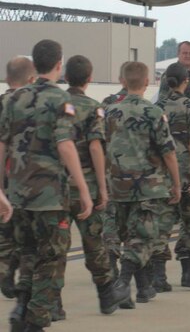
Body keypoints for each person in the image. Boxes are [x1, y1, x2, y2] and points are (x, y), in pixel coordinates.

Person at [0, 40, 95, 331]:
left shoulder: (14, 99)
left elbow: (2, 144)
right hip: (50, 197)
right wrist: (84, 189)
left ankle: (21, 308)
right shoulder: (60, 100)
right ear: (58, 65)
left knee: (29, 253)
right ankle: (35, 322)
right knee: (51, 261)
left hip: (18, 195)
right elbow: (66, 145)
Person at [105, 61, 181, 308]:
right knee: (144, 239)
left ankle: (143, 288)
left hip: (118, 186)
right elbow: (169, 153)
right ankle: (122, 284)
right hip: (148, 187)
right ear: (148, 82)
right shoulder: (154, 113)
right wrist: (177, 183)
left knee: (130, 237)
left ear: (124, 82)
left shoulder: (110, 112)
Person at [59, 56, 130, 318]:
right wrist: (102, 187)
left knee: (56, 248)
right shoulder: (92, 107)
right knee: (94, 244)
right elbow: (95, 146)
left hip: (57, 188)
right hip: (85, 187)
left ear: (66, 77)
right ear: (89, 78)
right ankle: (106, 296)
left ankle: (53, 302)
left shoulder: (56, 104)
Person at [156, 62, 190, 290]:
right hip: (188, 174)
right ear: (185, 81)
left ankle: (158, 276)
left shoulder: (157, 108)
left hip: (164, 175)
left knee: (162, 224)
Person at [0, 57, 35, 300]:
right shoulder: (30, 104)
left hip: (3, 176)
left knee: (4, 230)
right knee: (24, 233)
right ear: (31, 79)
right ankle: (16, 275)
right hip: (23, 177)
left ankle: (4, 271)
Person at [100, 61, 131, 276]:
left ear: (121, 80)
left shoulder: (106, 105)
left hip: (109, 170)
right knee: (130, 219)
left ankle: (111, 258)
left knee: (110, 216)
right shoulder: (143, 106)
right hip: (133, 174)